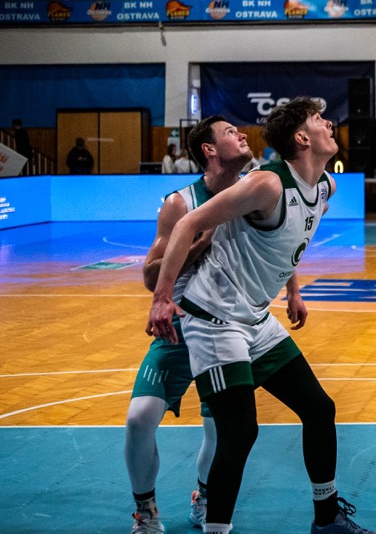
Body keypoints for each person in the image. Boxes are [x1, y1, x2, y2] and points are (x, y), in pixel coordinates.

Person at [147, 97, 376, 534]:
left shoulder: (324, 187)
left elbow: (290, 238)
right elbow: (186, 225)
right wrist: (162, 298)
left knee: (319, 408)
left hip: (254, 317)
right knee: (239, 431)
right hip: (214, 317)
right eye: (319, 120)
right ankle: (217, 529)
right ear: (302, 138)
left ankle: (327, 519)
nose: (330, 123)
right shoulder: (266, 184)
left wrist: (293, 289)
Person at [125, 116, 289, 534]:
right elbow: (150, 277)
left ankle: (205, 497)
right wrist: (198, 245)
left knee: (220, 430)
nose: (242, 134)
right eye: (230, 132)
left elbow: (282, 243)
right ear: (209, 150)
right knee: (139, 419)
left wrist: (294, 289)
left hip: (230, 327)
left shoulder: (257, 187)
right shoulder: (180, 204)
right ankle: (146, 511)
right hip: (182, 328)